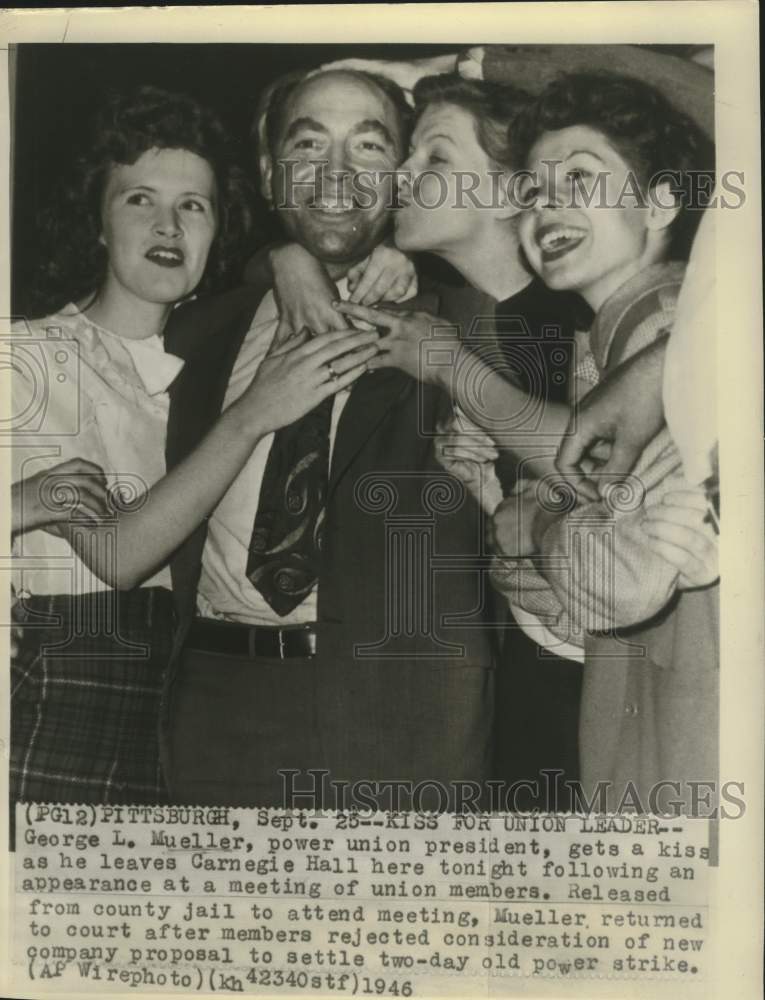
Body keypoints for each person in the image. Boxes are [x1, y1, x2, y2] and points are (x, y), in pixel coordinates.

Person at [10, 85, 378, 815]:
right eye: (139, 199)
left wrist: (289, 258)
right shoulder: (34, 355)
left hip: (174, 702)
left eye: (194, 205)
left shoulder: (209, 348)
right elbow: (117, 556)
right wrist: (252, 416)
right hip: (61, 688)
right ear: (97, 221)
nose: (168, 224)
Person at [160, 68, 498, 809]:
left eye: (369, 147)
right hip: (210, 708)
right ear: (269, 170)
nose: (336, 173)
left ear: (405, 173)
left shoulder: (471, 325)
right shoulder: (193, 330)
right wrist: (278, 258)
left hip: (401, 726)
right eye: (308, 144)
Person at [329, 74, 588, 807]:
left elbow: (598, 472)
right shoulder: (487, 322)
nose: (402, 176)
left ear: (512, 193)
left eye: (434, 160)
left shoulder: (570, 321)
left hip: (579, 702)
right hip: (528, 685)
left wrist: (446, 364)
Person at [488, 71, 718, 813]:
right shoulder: (616, 346)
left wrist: (543, 524)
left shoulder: (670, 332)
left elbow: (629, 575)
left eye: (579, 179)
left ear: (659, 202)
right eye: (532, 191)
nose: (545, 206)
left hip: (699, 749)